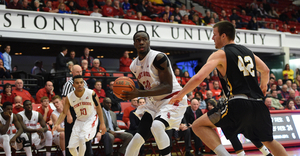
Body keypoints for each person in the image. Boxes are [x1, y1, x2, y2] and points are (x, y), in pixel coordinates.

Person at [169, 21, 287, 156]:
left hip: (237, 103)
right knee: (269, 141)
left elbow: (198, 78)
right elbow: (265, 70)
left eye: (214, 34)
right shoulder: (248, 52)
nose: (212, 38)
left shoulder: (220, 54)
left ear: (223, 36)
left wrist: (180, 94)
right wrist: (263, 87)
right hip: (258, 104)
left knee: (197, 126)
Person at [123, 31, 188, 156]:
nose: (141, 42)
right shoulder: (133, 66)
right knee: (136, 139)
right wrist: (129, 92)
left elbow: (167, 87)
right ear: (134, 43)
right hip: (154, 103)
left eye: (144, 39)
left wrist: (139, 93)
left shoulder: (158, 57)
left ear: (149, 41)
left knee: (157, 126)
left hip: (172, 99)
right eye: (138, 40)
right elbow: (144, 87)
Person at [53, 75, 106, 156]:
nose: (80, 84)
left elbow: (99, 107)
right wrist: (57, 124)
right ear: (73, 85)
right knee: (71, 148)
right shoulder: (69, 97)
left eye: (81, 82)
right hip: (79, 120)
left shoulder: (91, 93)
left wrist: (102, 123)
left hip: (90, 119)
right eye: (77, 83)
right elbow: (64, 112)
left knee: (82, 138)